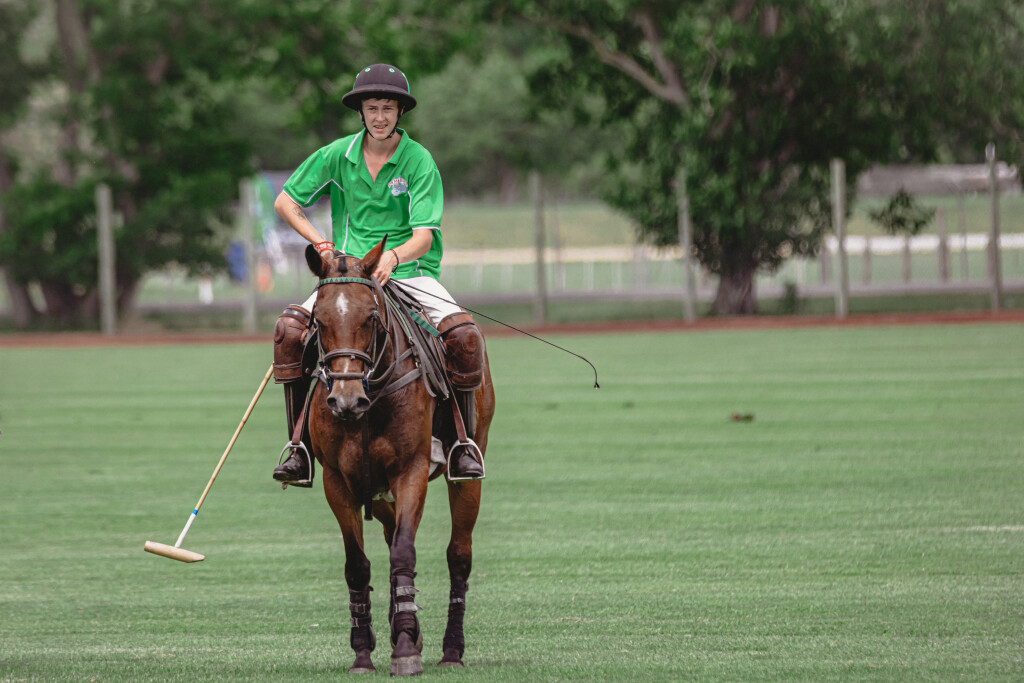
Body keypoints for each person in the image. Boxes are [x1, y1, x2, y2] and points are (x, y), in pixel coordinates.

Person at [271, 63, 485, 487]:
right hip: (348, 277)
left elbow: (424, 236)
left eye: (388, 108)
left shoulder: (418, 160)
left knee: (463, 336)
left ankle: (460, 444)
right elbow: (285, 203)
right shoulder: (337, 155)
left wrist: (394, 257)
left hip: (410, 272)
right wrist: (321, 242)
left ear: (400, 111)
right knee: (289, 333)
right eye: (373, 108)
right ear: (361, 112)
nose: (380, 116)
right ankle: (299, 447)